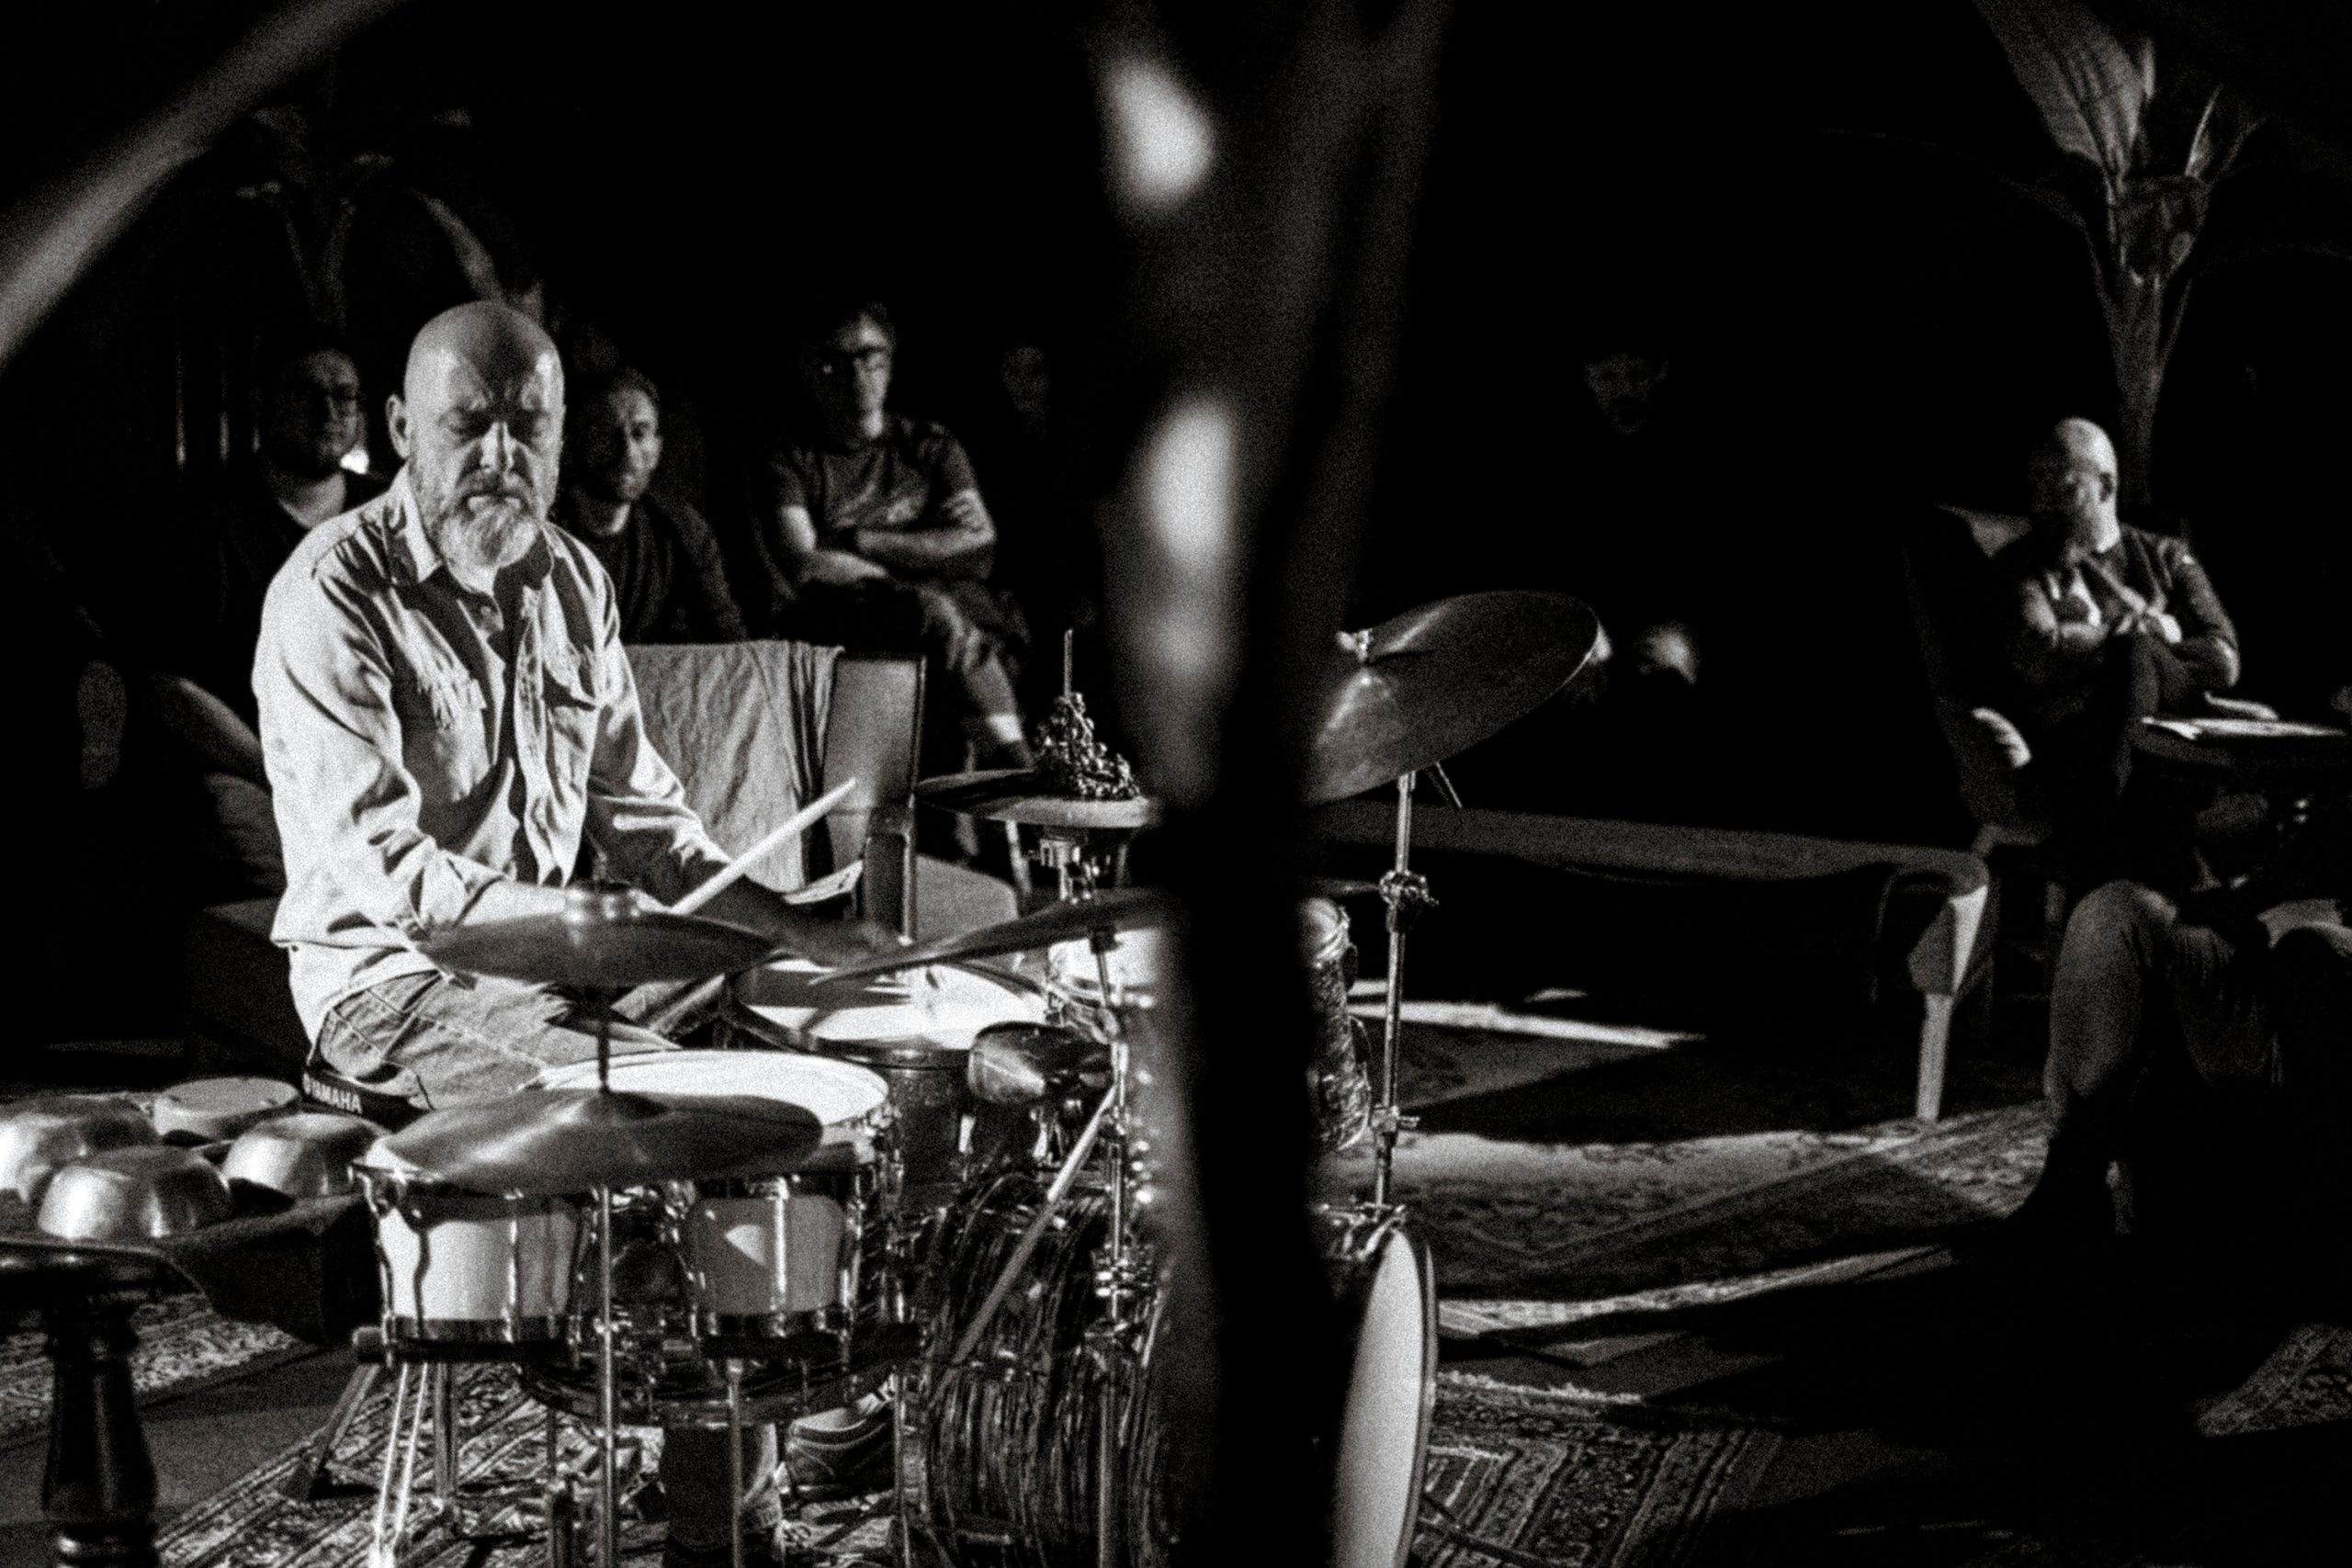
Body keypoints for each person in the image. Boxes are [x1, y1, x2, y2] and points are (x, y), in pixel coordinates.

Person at [254, 302, 864, 1567]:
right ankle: (722, 1517)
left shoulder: (573, 580)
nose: (499, 457)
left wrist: (804, 929)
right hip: (393, 984)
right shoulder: (331, 593)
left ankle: (799, 1402)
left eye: (526, 428)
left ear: (561, 433)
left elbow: (652, 828)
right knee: (671, 1122)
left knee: (813, 1060)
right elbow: (406, 887)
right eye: (467, 426)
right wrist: (599, 924)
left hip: (560, 965)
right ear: (400, 429)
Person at [750, 300, 1031, 772]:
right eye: (835, 360)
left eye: (869, 356)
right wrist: (920, 563)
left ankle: (990, 789)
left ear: (891, 360)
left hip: (950, 611)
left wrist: (861, 542)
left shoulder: (928, 445)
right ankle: (1016, 766)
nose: (856, 374)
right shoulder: (790, 458)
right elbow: (805, 562)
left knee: (985, 621)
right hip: (849, 612)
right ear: (808, 368)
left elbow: (980, 541)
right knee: (934, 613)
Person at [1989, 418, 2243, 882]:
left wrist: (2118, 642)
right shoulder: (2021, 565)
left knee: (2137, 654)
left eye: (2063, 489)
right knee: (2134, 652)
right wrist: (2151, 629)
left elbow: (2223, 659)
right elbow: (2038, 653)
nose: (2042, 504)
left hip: (2171, 729)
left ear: (2106, 486)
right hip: (2077, 740)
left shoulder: (2166, 556)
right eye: (2036, 487)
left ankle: (2095, 830)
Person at [178, 331, 386, 719]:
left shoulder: (389, 509)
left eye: (344, 396)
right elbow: (178, 686)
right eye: (305, 393)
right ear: (261, 402)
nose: (327, 411)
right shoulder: (206, 519)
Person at [551, 367, 749, 643]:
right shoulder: (542, 533)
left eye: (639, 433)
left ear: (657, 450)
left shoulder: (682, 532)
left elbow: (729, 645)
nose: (627, 451)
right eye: (606, 433)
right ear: (571, 445)